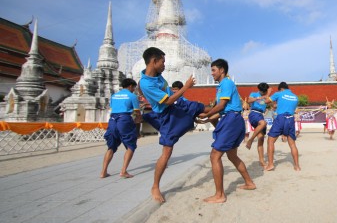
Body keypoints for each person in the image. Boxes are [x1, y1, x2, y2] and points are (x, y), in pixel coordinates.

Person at [138, 47, 205, 203]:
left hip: (175, 105)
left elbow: (168, 96)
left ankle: (221, 116)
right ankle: (155, 186)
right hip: (166, 115)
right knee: (167, 152)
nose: (164, 65)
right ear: (154, 61)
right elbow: (167, 100)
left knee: (201, 108)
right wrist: (186, 87)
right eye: (162, 62)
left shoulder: (158, 76)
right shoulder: (146, 84)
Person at [197, 59, 256, 203]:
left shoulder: (226, 83)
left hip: (232, 120)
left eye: (213, 70)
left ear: (222, 70)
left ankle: (220, 195)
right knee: (232, 156)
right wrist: (206, 119)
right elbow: (224, 109)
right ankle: (249, 183)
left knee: (214, 156)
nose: (212, 74)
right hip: (231, 118)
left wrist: (207, 113)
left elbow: (222, 105)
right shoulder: (222, 86)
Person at [100, 78, 142, 179]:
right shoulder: (132, 96)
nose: (134, 90)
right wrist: (138, 121)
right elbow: (137, 112)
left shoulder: (114, 96)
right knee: (130, 146)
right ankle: (123, 171)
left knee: (111, 147)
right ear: (131, 86)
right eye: (134, 88)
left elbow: (113, 108)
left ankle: (103, 172)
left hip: (113, 120)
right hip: (124, 120)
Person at [264, 82, 301, 171]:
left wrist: (268, 93)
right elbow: (288, 107)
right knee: (292, 144)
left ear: (281, 89)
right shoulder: (295, 97)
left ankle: (270, 164)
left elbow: (265, 101)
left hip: (280, 118)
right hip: (290, 119)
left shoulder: (279, 94)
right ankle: (297, 166)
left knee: (270, 141)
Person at [245, 82, 272, 167]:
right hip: (254, 113)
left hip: (261, 115)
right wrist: (260, 97)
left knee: (261, 138)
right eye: (262, 91)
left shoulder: (266, 96)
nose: (263, 92)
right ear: (259, 90)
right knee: (263, 123)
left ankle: (261, 161)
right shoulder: (254, 94)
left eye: (265, 91)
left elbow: (270, 103)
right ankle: (251, 140)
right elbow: (248, 100)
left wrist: (268, 94)